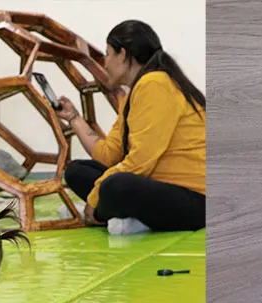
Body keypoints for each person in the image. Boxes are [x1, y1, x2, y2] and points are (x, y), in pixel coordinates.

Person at [55, 20, 206, 235]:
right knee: (77, 171)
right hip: (158, 185)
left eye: (108, 54)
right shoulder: (132, 95)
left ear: (123, 55)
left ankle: (119, 217)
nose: (105, 63)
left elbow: (140, 161)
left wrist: (95, 198)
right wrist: (74, 118)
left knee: (116, 186)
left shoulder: (155, 83)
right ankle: (130, 217)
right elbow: (108, 155)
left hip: (196, 200)